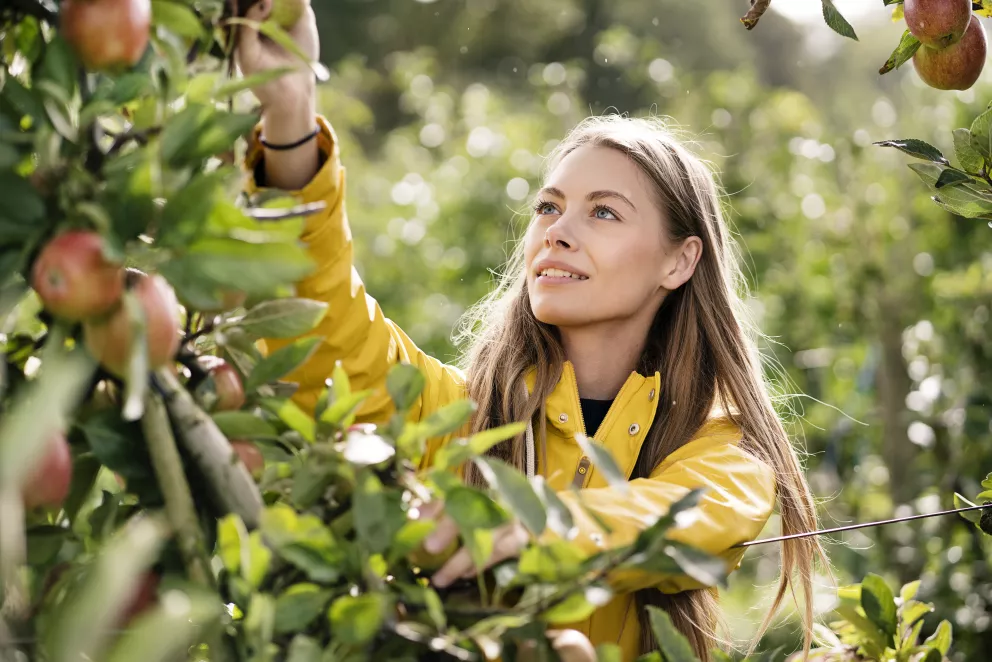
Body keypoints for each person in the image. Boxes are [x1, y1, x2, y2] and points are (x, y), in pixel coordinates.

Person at [235, 2, 827, 660]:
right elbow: (325, 331)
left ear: (679, 261)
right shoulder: (459, 419)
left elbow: (686, 520)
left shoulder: (719, 449)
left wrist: (527, 522)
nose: (557, 232)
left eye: (604, 212)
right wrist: (290, 113)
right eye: (549, 206)